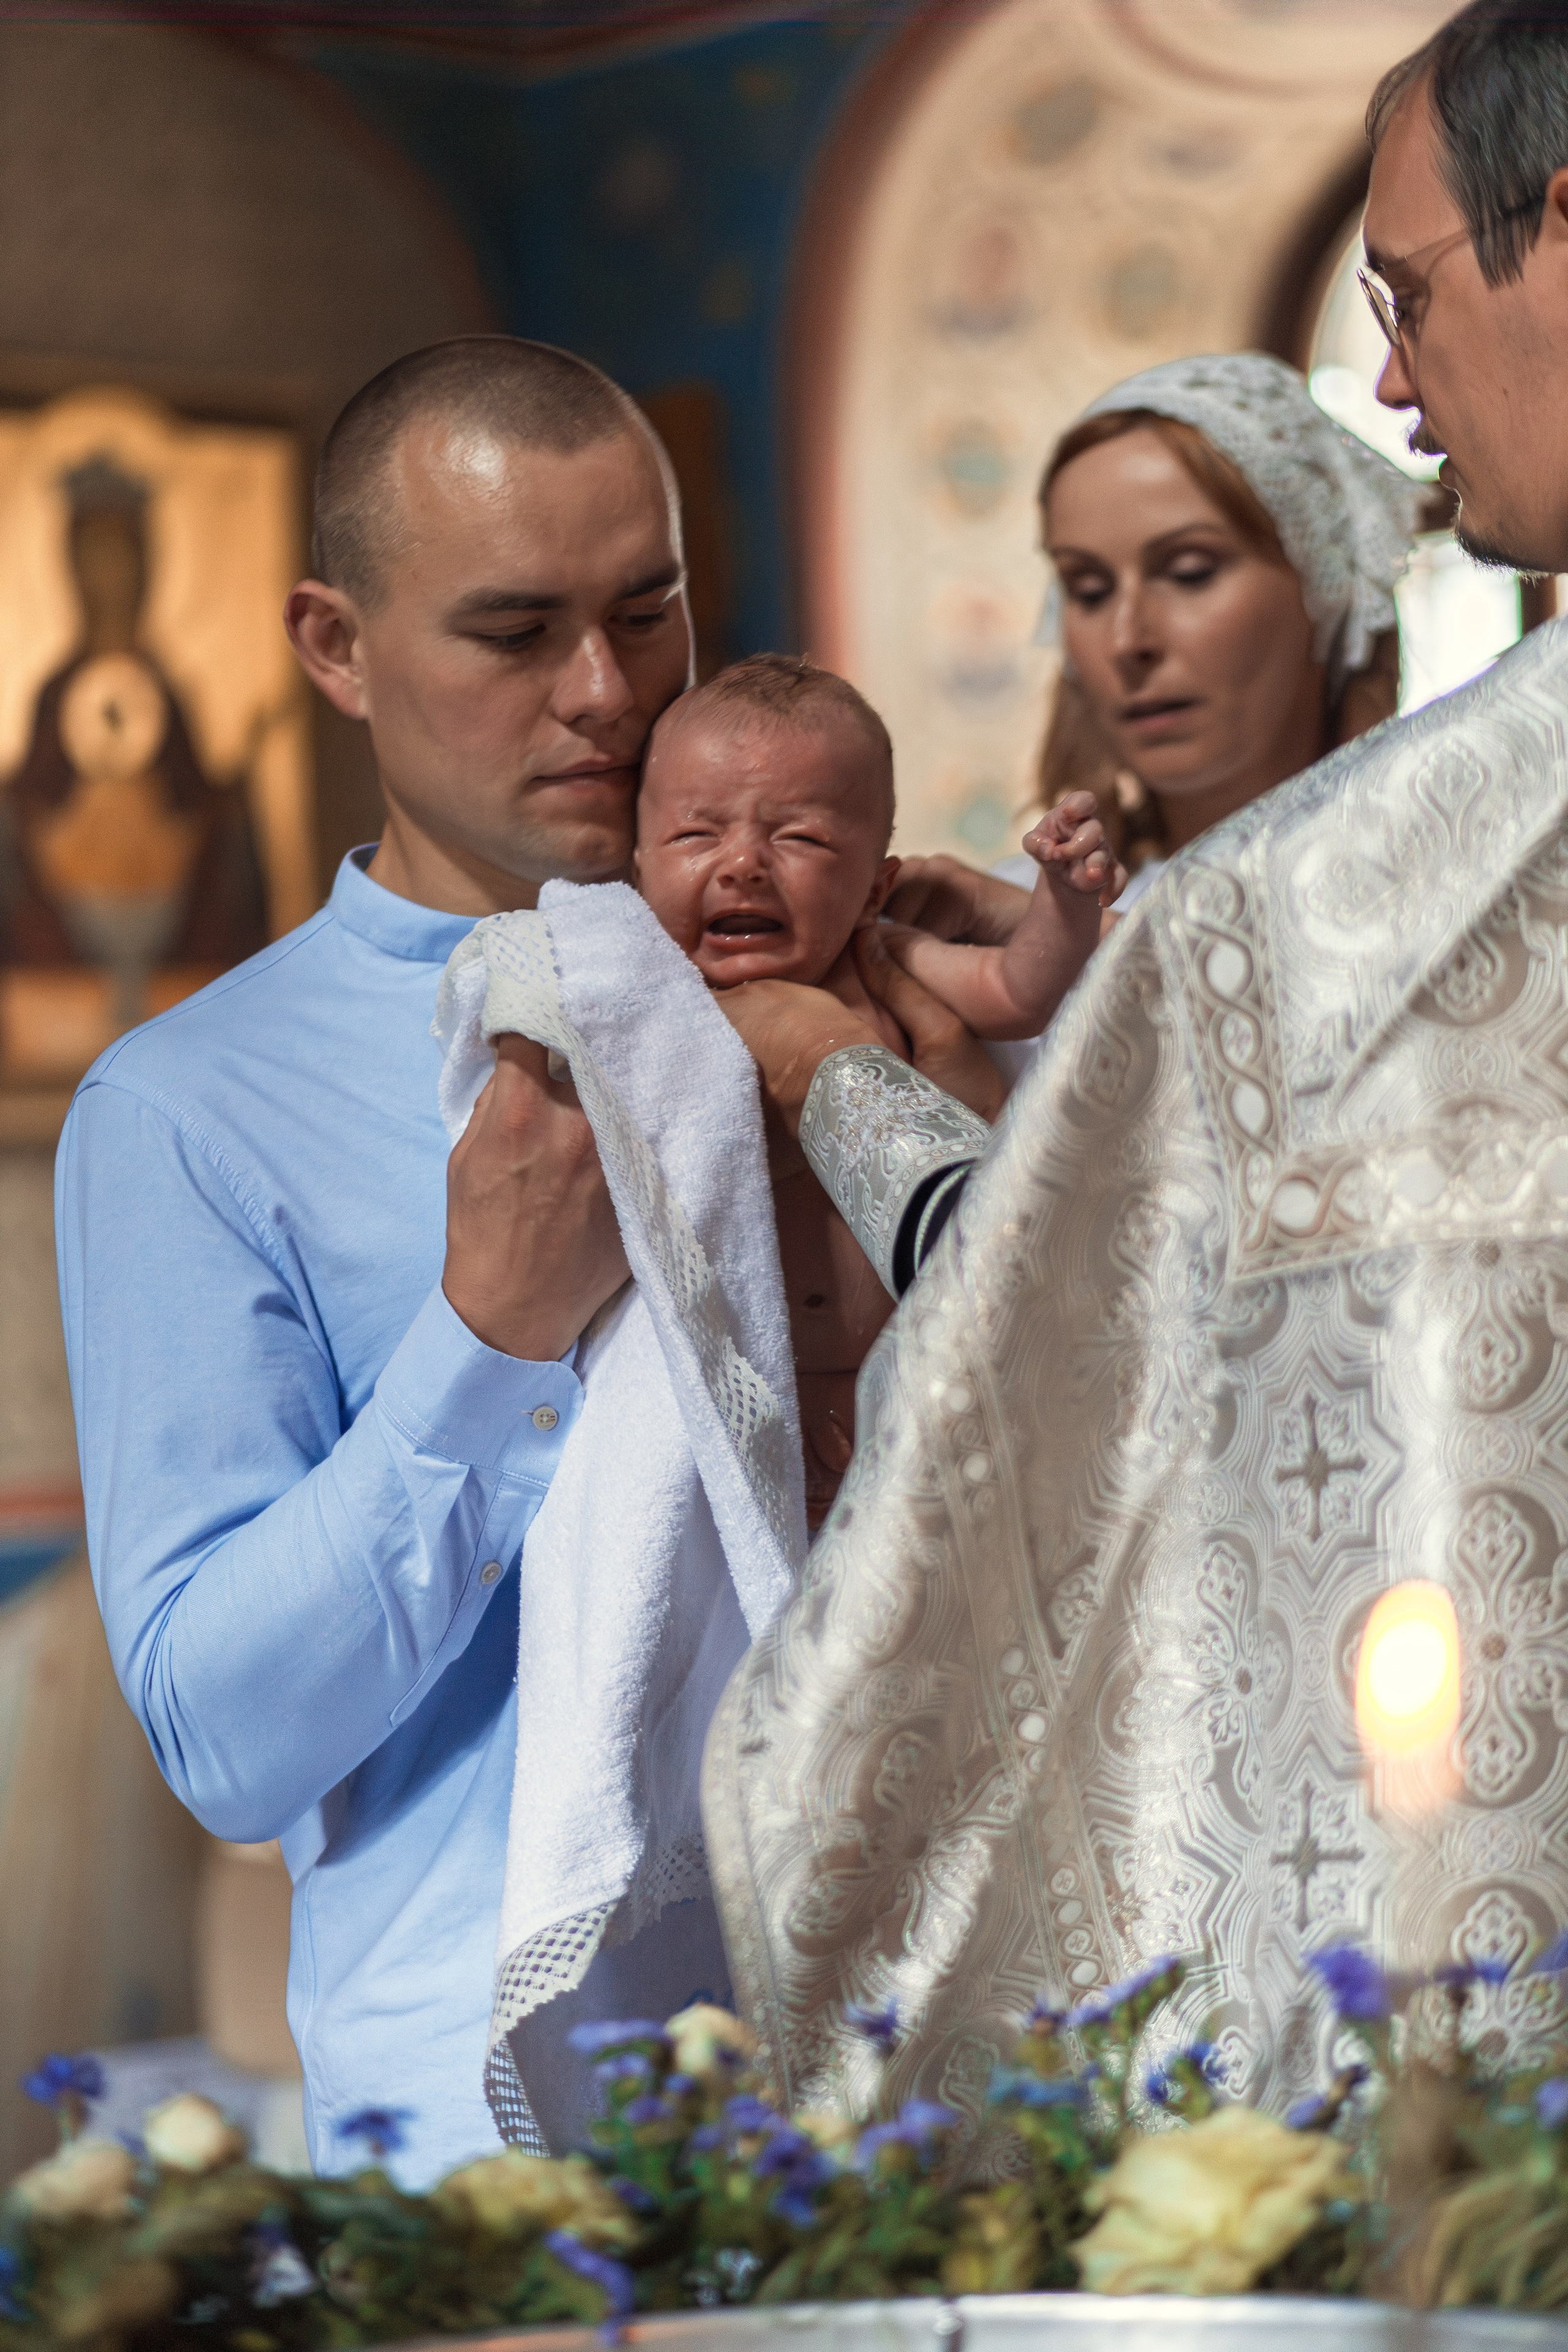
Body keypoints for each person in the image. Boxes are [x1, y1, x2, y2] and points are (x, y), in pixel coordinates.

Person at [704, 0, 1568, 2131]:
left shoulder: (1327, 910)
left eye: (1408, 296)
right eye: (1085, 588)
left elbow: (1048, 1316)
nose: (1392, 375)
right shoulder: (1121, 913)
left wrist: (833, 1070)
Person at [56, 336, 696, 2185]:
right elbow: (225, 1744)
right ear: (335, 648)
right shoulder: (187, 1111)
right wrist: (484, 1338)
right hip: (492, 2161)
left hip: (888, 2082)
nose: (606, 695)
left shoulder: (802, 993)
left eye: (646, 613)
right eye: (513, 634)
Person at [635, 651, 1117, 1524]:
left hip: (924, 1395)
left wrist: (1064, 904)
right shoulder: (651, 1011)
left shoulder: (885, 961)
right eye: (696, 834)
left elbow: (1019, 989)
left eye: (801, 838)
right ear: (637, 868)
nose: (743, 862)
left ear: (875, 887)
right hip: (757, 1412)